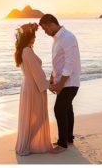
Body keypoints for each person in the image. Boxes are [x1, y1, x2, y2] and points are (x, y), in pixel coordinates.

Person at [39, 14, 81, 154]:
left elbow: (69, 64)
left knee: (59, 109)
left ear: (51, 24)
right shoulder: (57, 39)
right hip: (63, 81)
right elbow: (58, 61)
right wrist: (52, 76)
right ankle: (68, 138)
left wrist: (60, 84)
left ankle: (63, 144)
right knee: (67, 109)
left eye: (45, 29)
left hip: (70, 82)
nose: (45, 32)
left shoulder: (68, 37)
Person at [14, 22, 53, 156]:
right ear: (29, 37)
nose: (35, 39)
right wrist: (48, 84)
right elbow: (37, 73)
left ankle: (26, 141)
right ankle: (27, 142)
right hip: (33, 87)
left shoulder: (24, 50)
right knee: (38, 117)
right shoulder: (27, 51)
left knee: (30, 115)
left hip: (28, 85)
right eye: (34, 36)